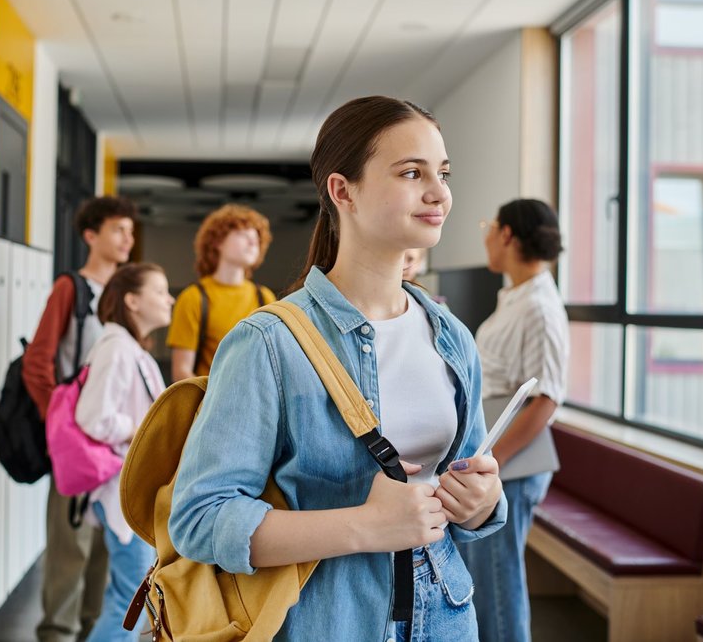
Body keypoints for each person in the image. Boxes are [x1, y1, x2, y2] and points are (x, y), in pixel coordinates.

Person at [168, 96, 507, 640]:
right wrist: (364, 527)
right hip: (326, 621)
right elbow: (200, 518)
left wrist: (482, 501)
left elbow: (467, 486)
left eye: (441, 173)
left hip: (445, 614)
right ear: (342, 190)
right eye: (411, 172)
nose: (439, 193)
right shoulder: (268, 343)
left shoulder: (452, 337)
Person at [23, 196, 137, 642]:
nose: (127, 238)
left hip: (113, 446)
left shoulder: (124, 295)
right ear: (91, 236)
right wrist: (62, 429)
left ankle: (93, 633)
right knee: (71, 551)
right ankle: (57, 634)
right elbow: (38, 362)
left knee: (107, 550)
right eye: (117, 230)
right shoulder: (71, 289)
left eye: (130, 230)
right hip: (77, 445)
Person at [456, 198, 569, 642]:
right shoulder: (517, 298)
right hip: (498, 459)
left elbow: (545, 400)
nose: (485, 236)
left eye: (490, 226)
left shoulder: (540, 306)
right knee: (487, 579)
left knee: (500, 585)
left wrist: (492, 460)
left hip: (512, 465)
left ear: (507, 235)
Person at [75, 263, 172, 641]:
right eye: (160, 291)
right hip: (119, 493)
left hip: (126, 491)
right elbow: (93, 418)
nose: (170, 299)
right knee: (127, 600)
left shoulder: (127, 348)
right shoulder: (116, 348)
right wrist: (142, 431)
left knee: (128, 595)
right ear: (132, 301)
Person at [167, 204, 276, 381]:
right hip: (209, 403)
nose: (252, 242)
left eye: (256, 238)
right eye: (243, 234)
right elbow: (181, 373)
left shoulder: (265, 297)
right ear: (217, 241)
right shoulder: (193, 297)